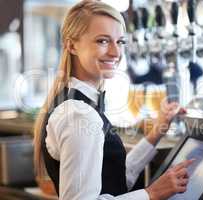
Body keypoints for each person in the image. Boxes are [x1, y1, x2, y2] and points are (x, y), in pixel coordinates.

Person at [33, 1, 193, 199]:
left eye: (120, 42)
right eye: (102, 41)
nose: (116, 53)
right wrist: (151, 194)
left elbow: (113, 177)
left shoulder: (81, 104)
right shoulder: (80, 114)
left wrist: (157, 132)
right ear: (71, 45)